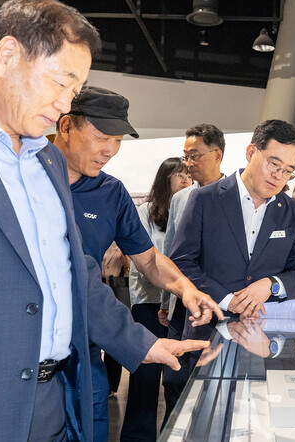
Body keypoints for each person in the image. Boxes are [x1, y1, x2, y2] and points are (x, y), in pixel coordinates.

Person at [0, 0, 209, 441]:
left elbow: (74, 277)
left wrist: (143, 344)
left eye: (74, 91)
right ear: (7, 56)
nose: (65, 105)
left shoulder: (47, 161)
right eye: (61, 83)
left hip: (56, 403)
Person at [53, 86, 223, 440]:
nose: (110, 150)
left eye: (117, 141)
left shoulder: (111, 192)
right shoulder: (27, 178)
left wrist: (186, 290)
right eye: (102, 137)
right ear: (66, 126)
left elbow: (148, 258)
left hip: (86, 346)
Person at [167, 119, 295, 401]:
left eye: (287, 171)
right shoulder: (205, 199)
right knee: (202, 412)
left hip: (265, 337)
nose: (278, 176)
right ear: (250, 152)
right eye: (273, 164)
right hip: (208, 333)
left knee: (258, 414)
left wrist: (271, 284)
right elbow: (181, 262)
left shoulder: (293, 212)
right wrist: (226, 299)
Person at [121, 158, 192, 441]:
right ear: (165, 179)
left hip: (179, 303)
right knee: (145, 378)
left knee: (176, 379)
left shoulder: (190, 208)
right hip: (149, 301)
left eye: (189, 176)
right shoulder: (145, 211)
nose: (186, 180)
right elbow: (145, 259)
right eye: (179, 175)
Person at [160, 123, 227, 420]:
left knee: (208, 377)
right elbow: (170, 253)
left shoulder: (234, 197)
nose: (188, 163)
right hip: (181, 301)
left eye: (195, 155)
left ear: (217, 155)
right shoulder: (181, 198)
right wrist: (167, 301)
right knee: (174, 377)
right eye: (185, 156)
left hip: (216, 302)